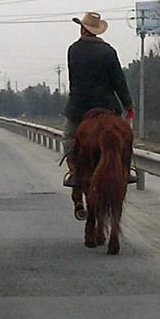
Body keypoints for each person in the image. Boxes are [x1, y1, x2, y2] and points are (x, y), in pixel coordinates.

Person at [62, 12, 135, 187]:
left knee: (68, 137)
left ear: (82, 29)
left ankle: (73, 172)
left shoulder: (73, 50)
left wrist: (74, 103)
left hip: (80, 107)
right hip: (107, 106)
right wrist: (128, 104)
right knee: (125, 137)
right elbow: (119, 81)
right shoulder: (108, 51)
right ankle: (127, 170)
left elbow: (74, 81)